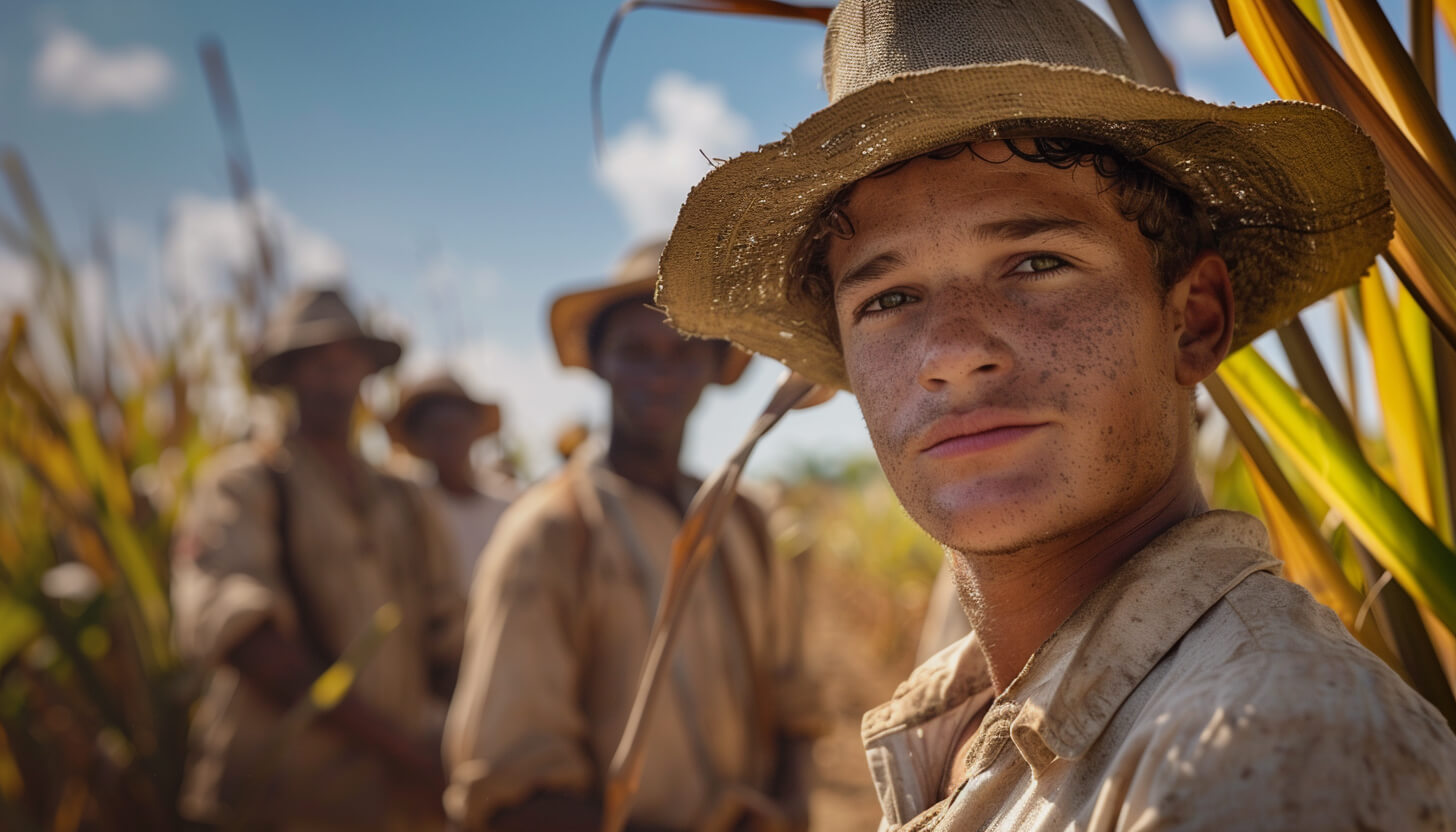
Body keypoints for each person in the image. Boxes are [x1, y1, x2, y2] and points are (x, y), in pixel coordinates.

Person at [651, 1, 1456, 828]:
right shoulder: (965, 723)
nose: (952, 351)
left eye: (1038, 262)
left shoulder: (1269, 751)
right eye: (889, 298)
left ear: (1194, 319)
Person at [443, 240, 824, 832]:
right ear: (600, 362)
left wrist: (792, 806)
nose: (661, 374)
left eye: (683, 351)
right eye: (636, 352)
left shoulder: (742, 518)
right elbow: (510, 782)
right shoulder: (550, 532)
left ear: (715, 367)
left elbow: (793, 696)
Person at [171, 287, 465, 831]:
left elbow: (450, 631)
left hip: (395, 805)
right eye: (317, 363)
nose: (334, 377)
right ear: (288, 374)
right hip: (277, 795)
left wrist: (453, 741)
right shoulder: (244, 483)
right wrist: (403, 750)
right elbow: (246, 638)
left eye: (346, 361)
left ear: (366, 372)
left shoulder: (405, 497)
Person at [389, 372, 515, 586]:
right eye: (436, 432)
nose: (448, 442)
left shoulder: (508, 506)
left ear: (474, 429)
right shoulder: (410, 512)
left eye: (455, 429)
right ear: (418, 441)